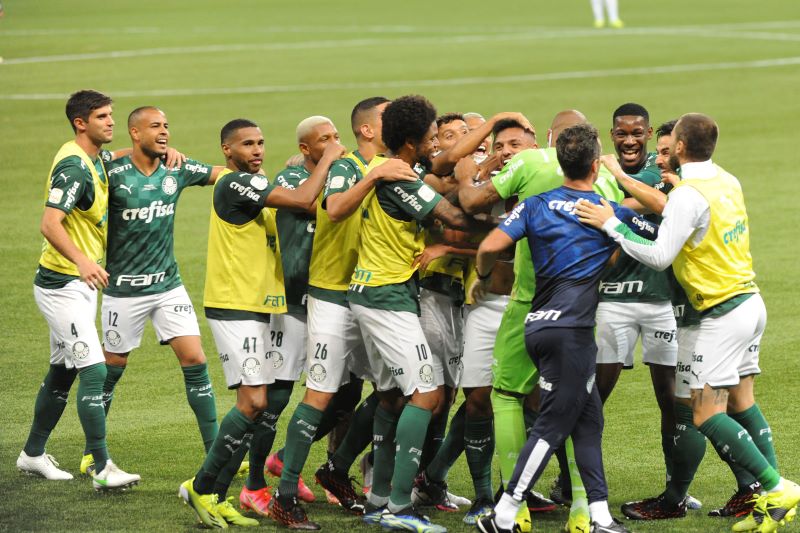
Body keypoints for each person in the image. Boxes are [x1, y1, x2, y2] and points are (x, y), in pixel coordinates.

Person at [576, 112, 800, 533]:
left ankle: (776, 485)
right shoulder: (726, 180)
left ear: (680, 147)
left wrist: (610, 224)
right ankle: (767, 502)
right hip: (748, 301)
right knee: (741, 400)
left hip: (718, 313)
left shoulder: (687, 195)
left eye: (669, 144)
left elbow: (660, 255)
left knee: (703, 412)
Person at [475, 124, 649, 533]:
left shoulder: (535, 205)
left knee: (589, 422)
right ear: (594, 163)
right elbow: (653, 246)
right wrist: (614, 232)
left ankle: (599, 516)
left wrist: (483, 278)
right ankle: (504, 513)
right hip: (573, 332)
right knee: (553, 425)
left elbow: (488, 247)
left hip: (536, 324)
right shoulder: (607, 210)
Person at [179, 118, 344, 529]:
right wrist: (329, 160)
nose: (256, 150)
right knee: (253, 402)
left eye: (261, 143)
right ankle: (202, 486)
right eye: (247, 144)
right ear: (227, 151)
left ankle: (217, 494)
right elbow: (306, 200)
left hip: (257, 308)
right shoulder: (235, 184)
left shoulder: (249, 182)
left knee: (259, 405)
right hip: (232, 305)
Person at [348, 94, 485, 533]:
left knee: (391, 397)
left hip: (374, 292)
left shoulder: (385, 171)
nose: (435, 145)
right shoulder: (402, 181)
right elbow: (453, 218)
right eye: (430, 137)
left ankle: (378, 499)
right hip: (386, 297)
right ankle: (400, 509)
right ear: (411, 141)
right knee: (427, 394)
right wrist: (518, 221)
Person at [88, 106, 224, 476]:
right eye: (155, 126)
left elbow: (221, 176)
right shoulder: (111, 172)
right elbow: (88, 159)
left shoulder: (175, 168)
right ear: (135, 133)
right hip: (122, 291)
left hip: (168, 286)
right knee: (111, 368)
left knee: (195, 360)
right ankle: (92, 450)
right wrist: (114, 154)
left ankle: (215, 452)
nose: (164, 132)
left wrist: (249, 172)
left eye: (166, 125)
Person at [18, 89, 140, 491]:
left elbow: (111, 157)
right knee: (94, 368)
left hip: (79, 286)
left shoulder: (92, 156)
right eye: (103, 116)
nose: (110, 121)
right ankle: (103, 467)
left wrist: (151, 151)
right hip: (63, 286)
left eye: (111, 115)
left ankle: (32, 454)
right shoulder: (73, 167)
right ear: (80, 123)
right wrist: (84, 262)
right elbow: (50, 223)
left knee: (62, 373)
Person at [594, 103, 680, 504]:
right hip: (613, 300)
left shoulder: (657, 173)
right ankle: (573, 481)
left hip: (661, 299)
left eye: (636, 133)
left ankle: (675, 485)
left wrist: (607, 210)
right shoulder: (597, 171)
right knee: (596, 395)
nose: (629, 140)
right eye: (621, 133)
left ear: (647, 135)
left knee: (671, 398)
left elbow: (627, 208)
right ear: (612, 135)